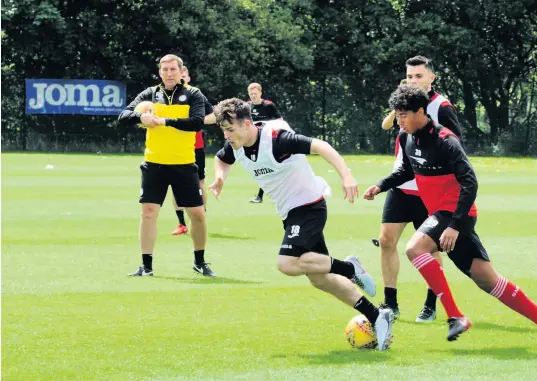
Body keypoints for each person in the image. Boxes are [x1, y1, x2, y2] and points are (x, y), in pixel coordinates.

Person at [209, 98, 394, 351]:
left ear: (247, 124)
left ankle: (349, 268)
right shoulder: (236, 143)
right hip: (290, 213)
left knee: (286, 263)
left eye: (230, 130)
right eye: (224, 131)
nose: (226, 136)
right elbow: (222, 159)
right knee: (319, 279)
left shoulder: (277, 140)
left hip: (309, 207)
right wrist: (220, 178)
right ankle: (377, 316)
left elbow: (321, 146)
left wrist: (346, 175)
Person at [364, 84, 537, 341]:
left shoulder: (446, 140)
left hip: (456, 214)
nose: (399, 121)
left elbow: (470, 182)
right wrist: (381, 185)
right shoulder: (405, 137)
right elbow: (408, 170)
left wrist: (454, 225)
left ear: (421, 111)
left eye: (403, 115)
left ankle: (456, 316)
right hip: (445, 216)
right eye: (397, 115)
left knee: (414, 248)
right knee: (487, 280)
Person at [374, 56, 463, 323]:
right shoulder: (402, 105)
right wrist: (401, 101)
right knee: (387, 241)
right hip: (401, 185)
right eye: (410, 77)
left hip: (430, 188)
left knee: (429, 247)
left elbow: (456, 146)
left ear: (431, 78)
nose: (414, 81)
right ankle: (390, 303)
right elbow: (385, 125)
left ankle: (430, 304)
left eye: (419, 76)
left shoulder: (441, 107)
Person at [118, 54, 216, 277]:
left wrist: (164, 121)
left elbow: (197, 122)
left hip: (184, 163)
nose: (169, 73)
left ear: (182, 72)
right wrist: (140, 118)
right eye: (165, 69)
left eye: (173, 69)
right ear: (159, 72)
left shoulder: (193, 94)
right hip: (154, 163)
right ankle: (146, 266)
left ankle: (199, 262)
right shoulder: (150, 95)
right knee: (148, 212)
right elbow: (123, 116)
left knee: (198, 214)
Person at [171, 66, 216, 236]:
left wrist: (196, 120)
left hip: (194, 146)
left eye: (183, 76)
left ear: (188, 77)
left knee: (200, 182)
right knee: (175, 184)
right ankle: (181, 223)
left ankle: (200, 218)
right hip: (172, 146)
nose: (180, 78)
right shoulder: (165, 95)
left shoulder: (195, 95)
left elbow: (214, 116)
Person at [246, 82, 282, 204]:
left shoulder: (268, 106)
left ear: (260, 93)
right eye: (251, 93)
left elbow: (279, 120)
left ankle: (261, 195)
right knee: (262, 167)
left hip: (268, 141)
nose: (253, 95)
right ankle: (262, 195)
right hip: (254, 142)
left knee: (266, 167)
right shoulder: (247, 106)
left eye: (255, 93)